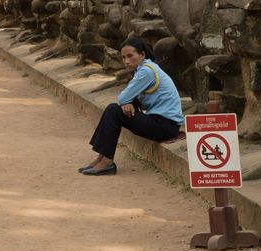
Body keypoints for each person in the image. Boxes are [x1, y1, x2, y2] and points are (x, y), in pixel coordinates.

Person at [79, 37, 184, 176]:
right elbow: (128, 98)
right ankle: (102, 158)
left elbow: (123, 97)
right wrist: (127, 103)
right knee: (113, 109)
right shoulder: (143, 69)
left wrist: (126, 102)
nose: (126, 61)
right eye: (123, 57)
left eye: (130, 56)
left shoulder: (147, 71)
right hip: (160, 123)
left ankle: (107, 161)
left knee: (113, 111)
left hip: (165, 126)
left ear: (142, 55)